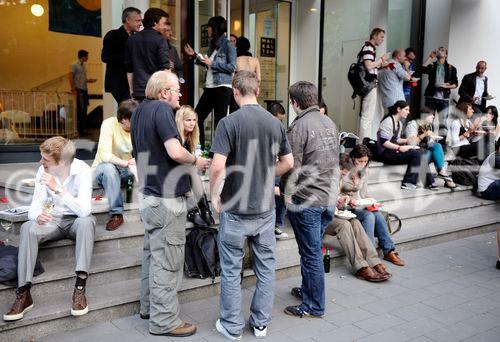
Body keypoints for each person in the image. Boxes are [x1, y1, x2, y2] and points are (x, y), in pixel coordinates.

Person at [209, 70, 293, 340]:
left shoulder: (228, 122)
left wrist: (213, 195)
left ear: (235, 92)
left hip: (235, 208)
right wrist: (268, 177)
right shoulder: (275, 123)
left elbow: (218, 166)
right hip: (265, 208)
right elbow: (289, 163)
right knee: (266, 267)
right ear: (257, 91)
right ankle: (260, 324)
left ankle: (232, 327)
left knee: (232, 269)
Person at [131, 71, 210, 337]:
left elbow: (138, 155)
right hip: (165, 200)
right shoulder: (163, 111)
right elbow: (175, 152)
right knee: (167, 260)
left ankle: (148, 308)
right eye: (176, 90)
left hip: (150, 196)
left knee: (152, 256)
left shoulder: (139, 112)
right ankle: (164, 321)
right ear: (164, 92)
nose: (179, 94)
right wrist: (195, 161)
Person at [3, 136, 95, 321]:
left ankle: (79, 289)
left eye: (45, 160)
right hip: (51, 221)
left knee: (87, 223)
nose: (40, 162)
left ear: (61, 162)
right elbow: (35, 205)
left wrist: (58, 189)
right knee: (28, 227)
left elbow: (84, 211)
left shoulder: (83, 170)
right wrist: (38, 216)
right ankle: (24, 293)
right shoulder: (41, 171)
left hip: (76, 221)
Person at [280, 81, 339, 319]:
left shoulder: (299, 126)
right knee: (311, 250)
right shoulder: (329, 122)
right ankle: (308, 290)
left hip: (308, 201)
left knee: (311, 254)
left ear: (295, 102)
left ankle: (314, 305)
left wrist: (285, 193)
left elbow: (292, 167)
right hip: (328, 198)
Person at [343, 146, 406, 266]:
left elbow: (364, 193)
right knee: (369, 216)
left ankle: (389, 250)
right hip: (345, 207)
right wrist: (350, 200)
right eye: (360, 161)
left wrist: (372, 202)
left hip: (358, 205)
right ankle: (371, 256)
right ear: (352, 158)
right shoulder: (344, 170)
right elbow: (338, 193)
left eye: (365, 161)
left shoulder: (364, 171)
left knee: (377, 214)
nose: (362, 164)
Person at [184, 16, 236, 147]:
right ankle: (199, 148)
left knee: (219, 122)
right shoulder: (213, 45)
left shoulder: (229, 45)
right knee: (197, 117)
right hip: (210, 87)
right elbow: (207, 63)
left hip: (222, 88)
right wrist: (195, 55)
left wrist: (213, 63)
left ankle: (218, 152)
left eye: (209, 26)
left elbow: (232, 67)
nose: (207, 29)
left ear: (215, 28)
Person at [92, 99, 138, 231]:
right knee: (108, 168)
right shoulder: (109, 124)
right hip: (105, 168)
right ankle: (117, 214)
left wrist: (136, 161)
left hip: (126, 170)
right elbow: (105, 155)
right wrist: (127, 163)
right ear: (123, 119)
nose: (137, 123)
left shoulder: (139, 127)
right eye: (133, 120)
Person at [377, 100, 437, 190]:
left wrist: (407, 140)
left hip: (393, 150)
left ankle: (429, 181)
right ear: (398, 109)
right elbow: (384, 142)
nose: (408, 112)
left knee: (420, 152)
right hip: (385, 153)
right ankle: (409, 182)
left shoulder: (399, 123)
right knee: (417, 154)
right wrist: (399, 147)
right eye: (406, 109)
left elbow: (396, 139)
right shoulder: (388, 121)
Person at [175, 105, 214, 227]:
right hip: (171, 173)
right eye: (188, 120)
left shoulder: (193, 135)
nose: (192, 123)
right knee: (189, 169)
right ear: (180, 121)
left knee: (191, 169)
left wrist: (201, 159)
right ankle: (193, 210)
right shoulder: (175, 135)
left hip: (187, 172)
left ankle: (204, 209)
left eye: (194, 120)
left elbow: (195, 154)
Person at [405, 108, 457, 189]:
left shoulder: (428, 126)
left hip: (424, 151)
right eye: (431, 115)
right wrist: (424, 135)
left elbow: (429, 143)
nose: (433, 117)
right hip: (415, 154)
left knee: (437, 146)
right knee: (434, 151)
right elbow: (411, 143)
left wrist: (431, 140)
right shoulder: (413, 124)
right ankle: (445, 177)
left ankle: (441, 172)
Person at [125, 8, 170, 101]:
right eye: (164, 23)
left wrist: (131, 90)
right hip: (156, 90)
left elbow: (129, 69)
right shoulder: (161, 40)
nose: (165, 27)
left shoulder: (132, 39)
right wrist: (168, 90)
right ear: (155, 23)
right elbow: (165, 68)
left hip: (138, 90)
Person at [101, 7, 142, 104]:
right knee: (128, 111)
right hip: (119, 82)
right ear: (127, 20)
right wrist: (128, 60)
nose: (140, 24)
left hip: (136, 83)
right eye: (137, 20)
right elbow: (105, 57)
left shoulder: (138, 37)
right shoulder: (112, 35)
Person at [357, 28, 392, 141]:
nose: (382, 39)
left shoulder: (370, 48)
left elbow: (370, 65)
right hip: (369, 85)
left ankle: (363, 143)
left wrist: (381, 64)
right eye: (381, 36)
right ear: (375, 36)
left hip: (369, 85)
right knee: (367, 117)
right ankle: (364, 144)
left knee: (367, 116)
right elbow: (369, 66)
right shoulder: (368, 48)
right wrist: (382, 59)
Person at [422, 47, 458, 139]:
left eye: (442, 50)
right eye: (439, 50)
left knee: (443, 121)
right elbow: (422, 69)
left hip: (444, 98)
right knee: (428, 120)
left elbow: (455, 84)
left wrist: (447, 86)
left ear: (446, 55)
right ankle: (429, 140)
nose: (440, 51)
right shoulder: (432, 66)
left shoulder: (451, 68)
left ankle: (442, 143)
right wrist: (430, 57)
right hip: (431, 96)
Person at [268, 101, 289, 240]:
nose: (280, 124)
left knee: (285, 184)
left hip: (273, 170)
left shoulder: (279, 132)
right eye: (279, 120)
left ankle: (276, 224)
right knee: (281, 189)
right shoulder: (261, 130)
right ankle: (273, 224)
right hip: (259, 173)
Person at [230, 36, 262, 113]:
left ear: (237, 46)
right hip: (251, 90)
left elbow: (232, 78)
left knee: (236, 114)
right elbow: (259, 79)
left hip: (239, 90)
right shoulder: (255, 60)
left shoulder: (236, 59)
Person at [69, 49, 97, 134]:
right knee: (80, 109)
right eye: (87, 56)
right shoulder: (74, 65)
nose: (87, 58)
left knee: (84, 109)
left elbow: (81, 78)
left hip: (84, 89)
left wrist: (89, 80)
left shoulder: (84, 65)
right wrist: (73, 89)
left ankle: (83, 129)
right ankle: (79, 129)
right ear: (83, 56)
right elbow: (70, 77)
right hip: (78, 89)